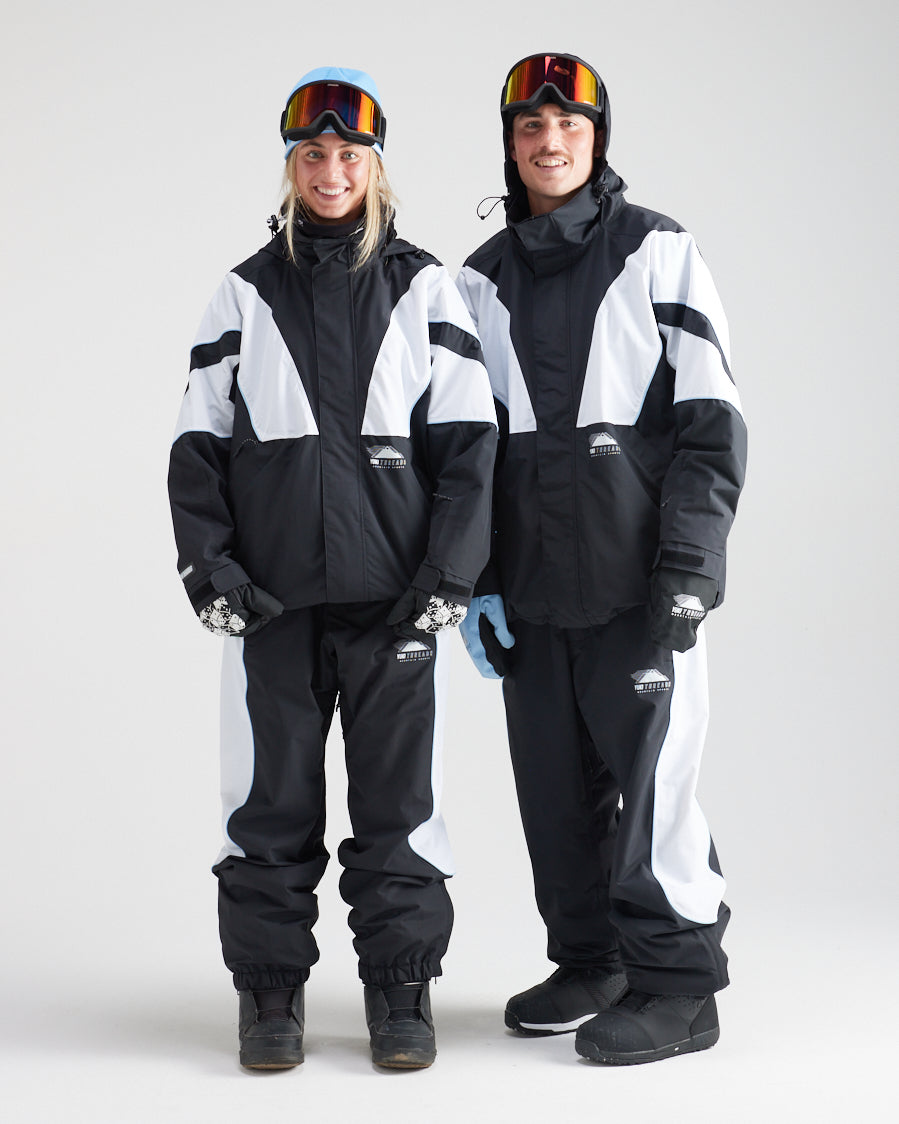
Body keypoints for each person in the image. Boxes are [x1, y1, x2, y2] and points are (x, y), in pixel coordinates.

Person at [167, 67, 497, 1071]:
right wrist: (212, 574)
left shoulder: (424, 286)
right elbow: (196, 448)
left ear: (375, 166)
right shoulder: (243, 291)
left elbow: (470, 447)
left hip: (396, 606)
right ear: (290, 165)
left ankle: (401, 991)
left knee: (399, 804)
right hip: (271, 606)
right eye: (311, 153)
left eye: (349, 153)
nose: (330, 170)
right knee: (268, 804)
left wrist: (447, 577)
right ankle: (270, 995)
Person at [457, 53, 747, 1065]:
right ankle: (592, 960)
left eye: (568, 127)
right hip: (532, 588)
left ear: (596, 138)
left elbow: (709, 423)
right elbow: (469, 449)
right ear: (510, 144)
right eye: (530, 128)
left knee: (653, 785)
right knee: (552, 788)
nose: (550, 144)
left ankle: (679, 985)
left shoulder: (657, 252)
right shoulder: (478, 280)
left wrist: (688, 566)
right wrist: (478, 583)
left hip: (636, 582)